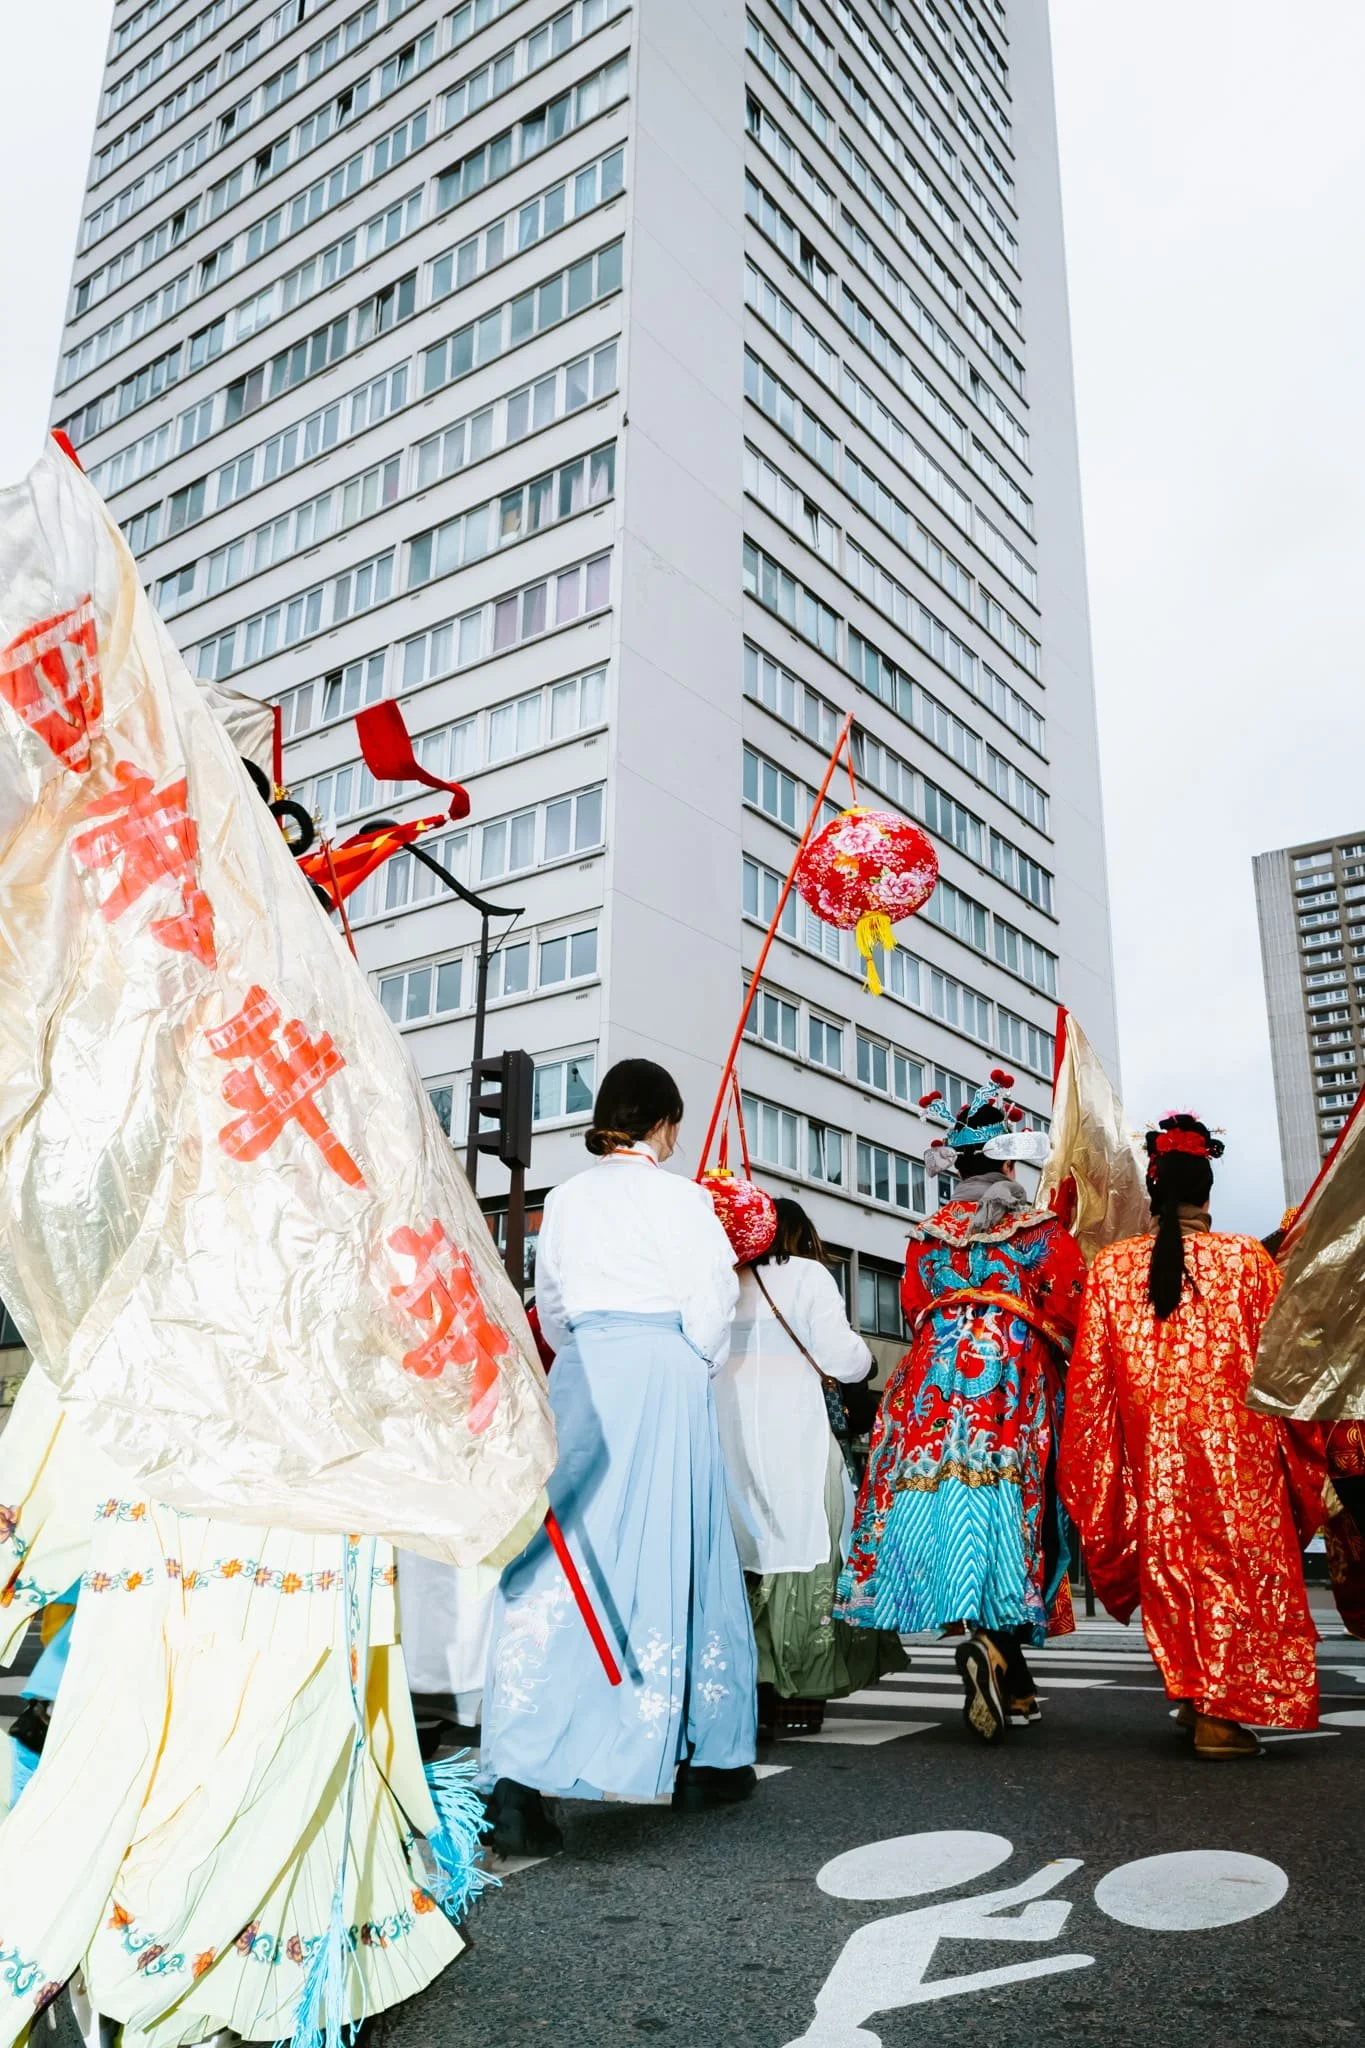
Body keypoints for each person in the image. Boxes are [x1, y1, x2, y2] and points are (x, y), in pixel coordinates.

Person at [479, 1059, 756, 1852]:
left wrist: (582, 1354)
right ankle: (710, 1751)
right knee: (684, 1546)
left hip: (584, 1368)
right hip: (661, 1367)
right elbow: (708, 1305)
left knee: (563, 1556)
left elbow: (554, 1303)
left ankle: (518, 1771)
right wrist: (687, 1362)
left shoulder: (564, 1198)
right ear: (665, 1122)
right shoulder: (683, 1198)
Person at [1059, 1113, 1324, 1757]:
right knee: (1237, 1573)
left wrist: (1102, 1466)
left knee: (1174, 1568)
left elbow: (1091, 1387)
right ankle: (1220, 1715)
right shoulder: (1248, 1262)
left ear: (1155, 1192)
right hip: (1242, 1457)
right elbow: (1292, 1363)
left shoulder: (1114, 1268)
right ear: (1207, 1192)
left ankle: (1191, 1692)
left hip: (1157, 1461)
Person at [837, 1071, 1086, 1743]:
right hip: (1008, 1378)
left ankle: (1007, 1668)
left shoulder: (927, 1234)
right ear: (1008, 1163)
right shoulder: (1038, 1228)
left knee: (947, 1504)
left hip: (931, 1383)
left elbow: (915, 1306)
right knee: (1010, 1508)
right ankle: (998, 1651)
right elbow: (1067, 1305)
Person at [714, 1198, 906, 1736]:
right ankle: (800, 1693)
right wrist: (866, 1362)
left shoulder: (725, 1281)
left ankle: (745, 1689)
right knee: (806, 1548)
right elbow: (842, 1358)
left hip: (728, 1444)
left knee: (742, 1560)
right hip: (794, 1439)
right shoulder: (807, 1276)